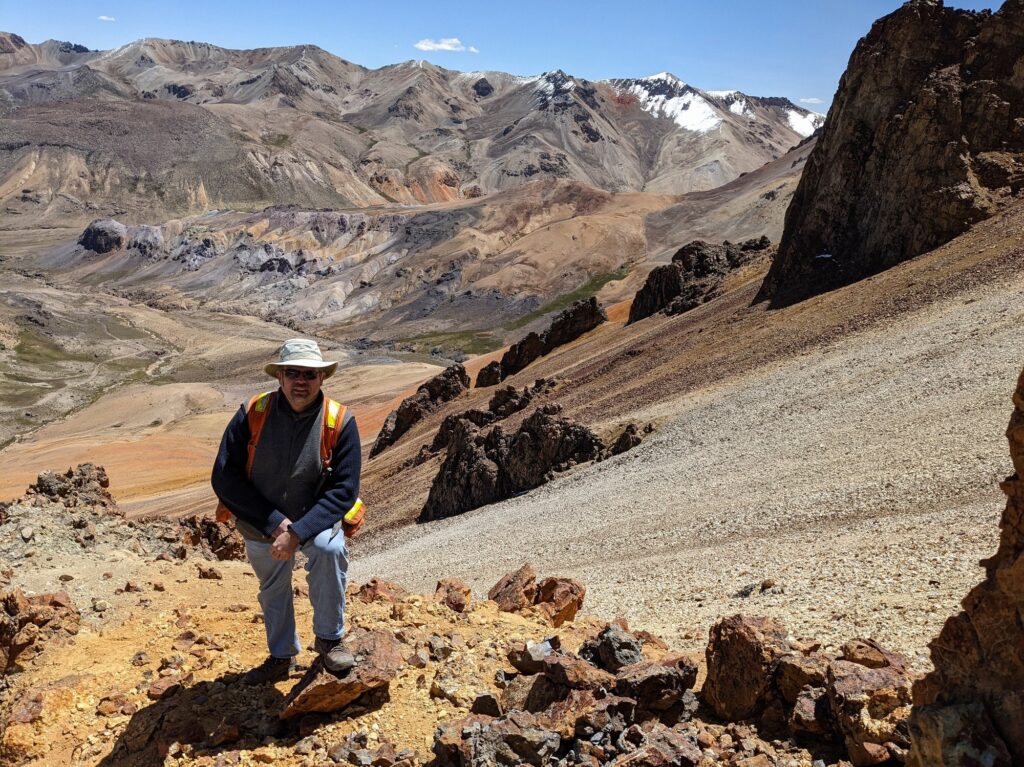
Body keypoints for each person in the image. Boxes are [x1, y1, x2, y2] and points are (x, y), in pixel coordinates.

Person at [211, 338, 361, 684]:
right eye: (293, 373)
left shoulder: (340, 420)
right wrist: (274, 523)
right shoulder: (253, 412)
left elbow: (345, 489)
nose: (301, 381)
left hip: (315, 517)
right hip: (259, 519)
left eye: (310, 374)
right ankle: (281, 656)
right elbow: (224, 475)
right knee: (273, 586)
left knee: (329, 550)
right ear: (279, 376)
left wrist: (297, 532)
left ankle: (329, 639)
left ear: (322, 378)